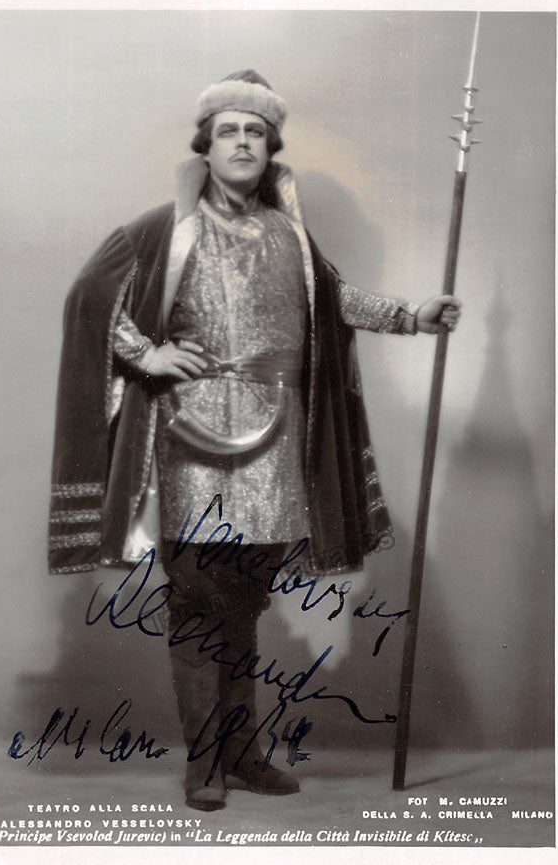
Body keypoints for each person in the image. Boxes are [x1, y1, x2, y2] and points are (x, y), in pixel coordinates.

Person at [49, 70, 461, 811]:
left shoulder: (289, 234)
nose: (242, 143)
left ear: (271, 149)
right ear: (205, 147)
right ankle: (205, 762)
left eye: (255, 133)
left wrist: (413, 316)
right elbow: (89, 298)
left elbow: (335, 299)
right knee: (197, 599)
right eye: (229, 131)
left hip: (278, 449)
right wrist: (147, 354)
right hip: (192, 442)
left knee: (243, 603)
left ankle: (242, 754)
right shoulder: (162, 229)